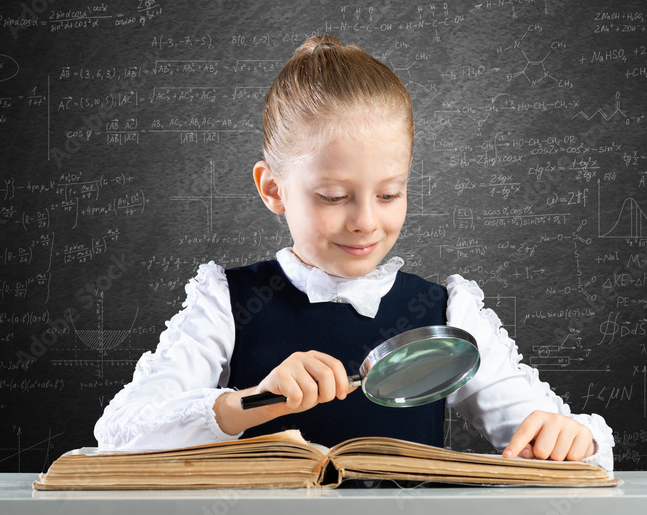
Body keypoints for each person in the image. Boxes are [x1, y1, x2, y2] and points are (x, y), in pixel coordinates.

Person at [94, 35, 614, 469]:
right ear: (273, 189)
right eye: (334, 197)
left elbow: (569, 444)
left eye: (389, 194)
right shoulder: (226, 302)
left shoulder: (447, 315)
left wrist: (572, 439)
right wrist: (248, 401)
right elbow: (120, 432)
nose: (366, 221)